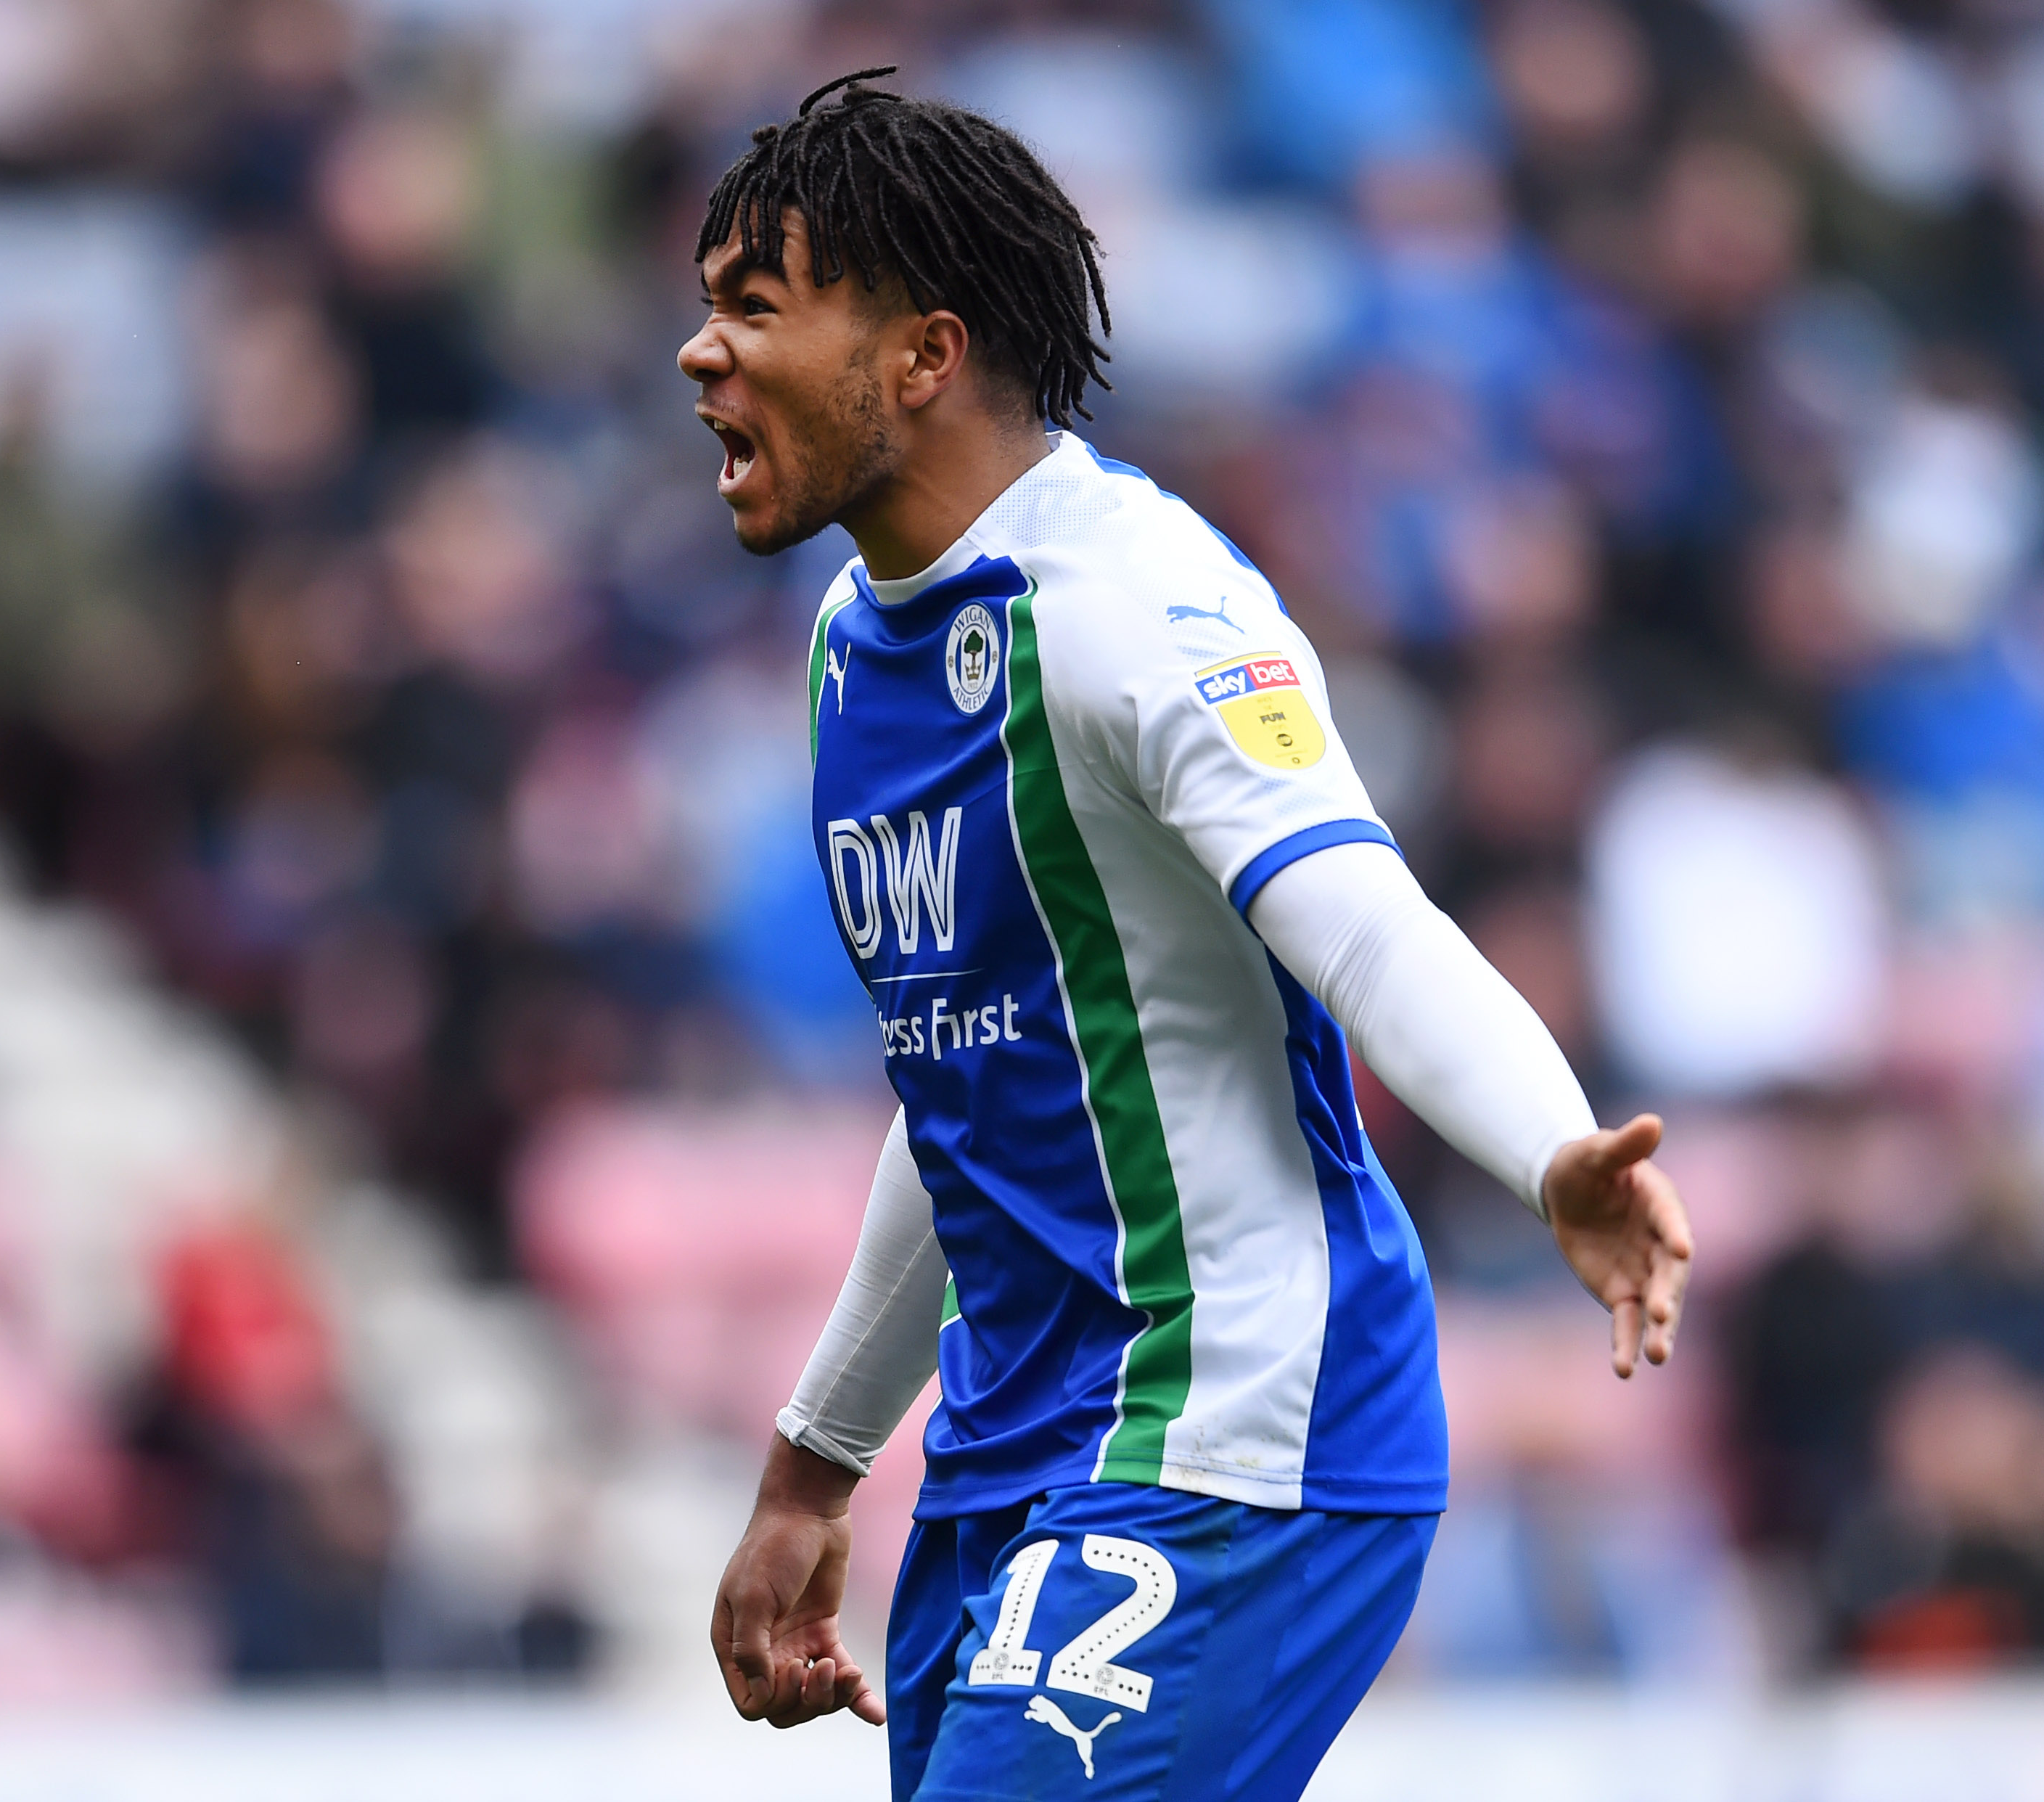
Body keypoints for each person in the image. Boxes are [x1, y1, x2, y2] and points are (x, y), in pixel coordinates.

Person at [681, 70, 1694, 1801]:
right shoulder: (855, 646)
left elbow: (1368, 929)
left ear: (921, 356)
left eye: (755, 310)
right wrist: (814, 1467)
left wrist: (1555, 1155)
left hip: (1241, 1429)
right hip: (1015, 1457)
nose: (703, 355)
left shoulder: (1141, 608)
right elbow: (970, 1096)